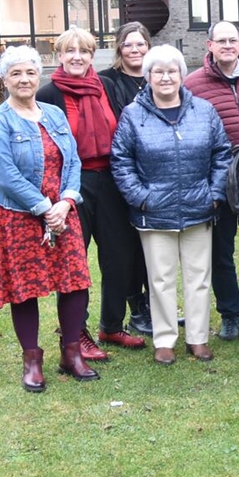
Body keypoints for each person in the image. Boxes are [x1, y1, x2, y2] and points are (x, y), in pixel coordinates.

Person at [0, 46, 100, 391]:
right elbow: (6, 176)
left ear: (38, 75)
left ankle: (71, 353)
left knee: (74, 281)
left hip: (62, 213)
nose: (24, 79)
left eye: (30, 72)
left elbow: (73, 162)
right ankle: (32, 360)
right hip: (18, 215)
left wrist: (66, 202)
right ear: (5, 80)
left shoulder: (53, 115)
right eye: (16, 73)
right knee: (24, 288)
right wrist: (44, 208)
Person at [112, 45, 231, 366]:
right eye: (158, 71)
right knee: (160, 279)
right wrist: (141, 197)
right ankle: (164, 340)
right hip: (154, 212)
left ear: (182, 75)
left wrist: (214, 194)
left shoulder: (203, 111)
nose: (166, 77)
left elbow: (222, 154)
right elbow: (121, 161)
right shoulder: (133, 115)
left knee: (199, 277)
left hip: (199, 208)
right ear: (148, 77)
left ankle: (198, 337)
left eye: (172, 71)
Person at [37, 27, 145, 356]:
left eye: (83, 51)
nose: (77, 57)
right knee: (74, 261)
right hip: (73, 184)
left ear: (92, 55)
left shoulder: (107, 86)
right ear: (59, 56)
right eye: (69, 51)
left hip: (110, 180)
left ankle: (111, 327)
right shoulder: (48, 95)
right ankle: (75, 333)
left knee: (118, 256)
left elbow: (125, 131)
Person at [183, 21, 239, 342]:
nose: (227, 45)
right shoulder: (193, 84)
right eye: (220, 41)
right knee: (220, 251)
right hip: (218, 177)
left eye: (232, 40)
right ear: (209, 45)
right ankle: (230, 314)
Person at [100, 21, 153, 336]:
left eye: (141, 44)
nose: (135, 50)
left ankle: (154, 304)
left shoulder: (157, 76)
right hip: (121, 175)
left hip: (155, 175)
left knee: (153, 245)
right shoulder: (107, 81)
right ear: (119, 48)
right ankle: (136, 308)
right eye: (129, 44)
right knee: (128, 246)